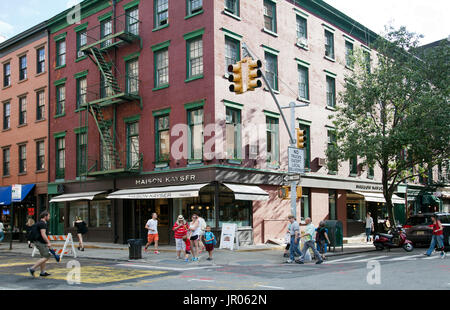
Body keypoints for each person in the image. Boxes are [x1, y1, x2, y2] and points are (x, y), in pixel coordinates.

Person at [27, 211, 53, 277]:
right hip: (40, 242)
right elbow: (43, 234)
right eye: (49, 216)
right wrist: (48, 242)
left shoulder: (39, 223)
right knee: (47, 256)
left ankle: (42, 272)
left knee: (43, 256)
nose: (49, 217)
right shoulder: (42, 224)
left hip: (38, 241)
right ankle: (32, 268)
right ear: (45, 216)